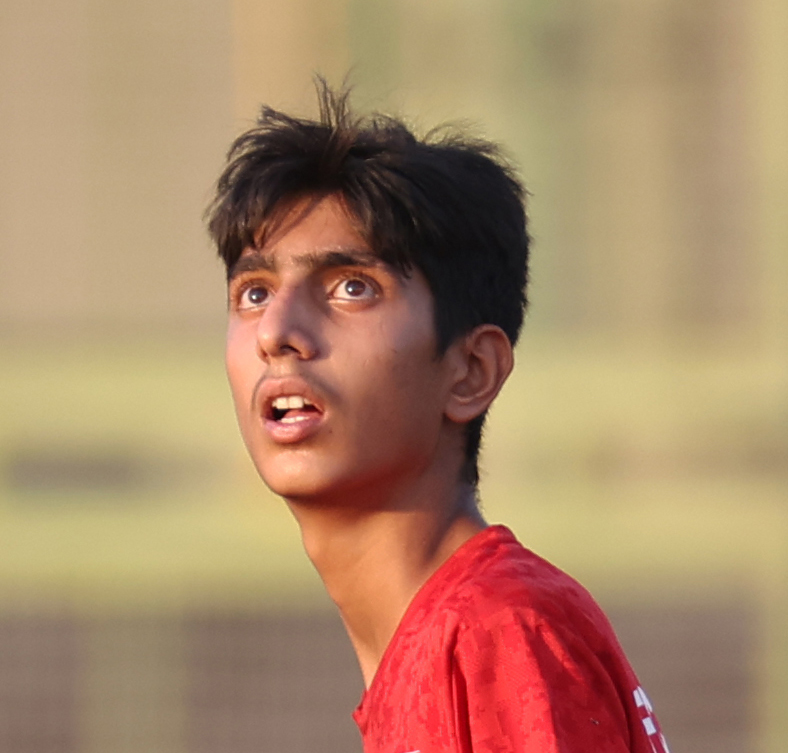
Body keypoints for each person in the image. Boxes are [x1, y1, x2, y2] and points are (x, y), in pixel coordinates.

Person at [206, 82, 670, 753]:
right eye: (254, 292)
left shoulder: (496, 630)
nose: (277, 331)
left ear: (472, 370)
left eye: (352, 287)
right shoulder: (439, 644)